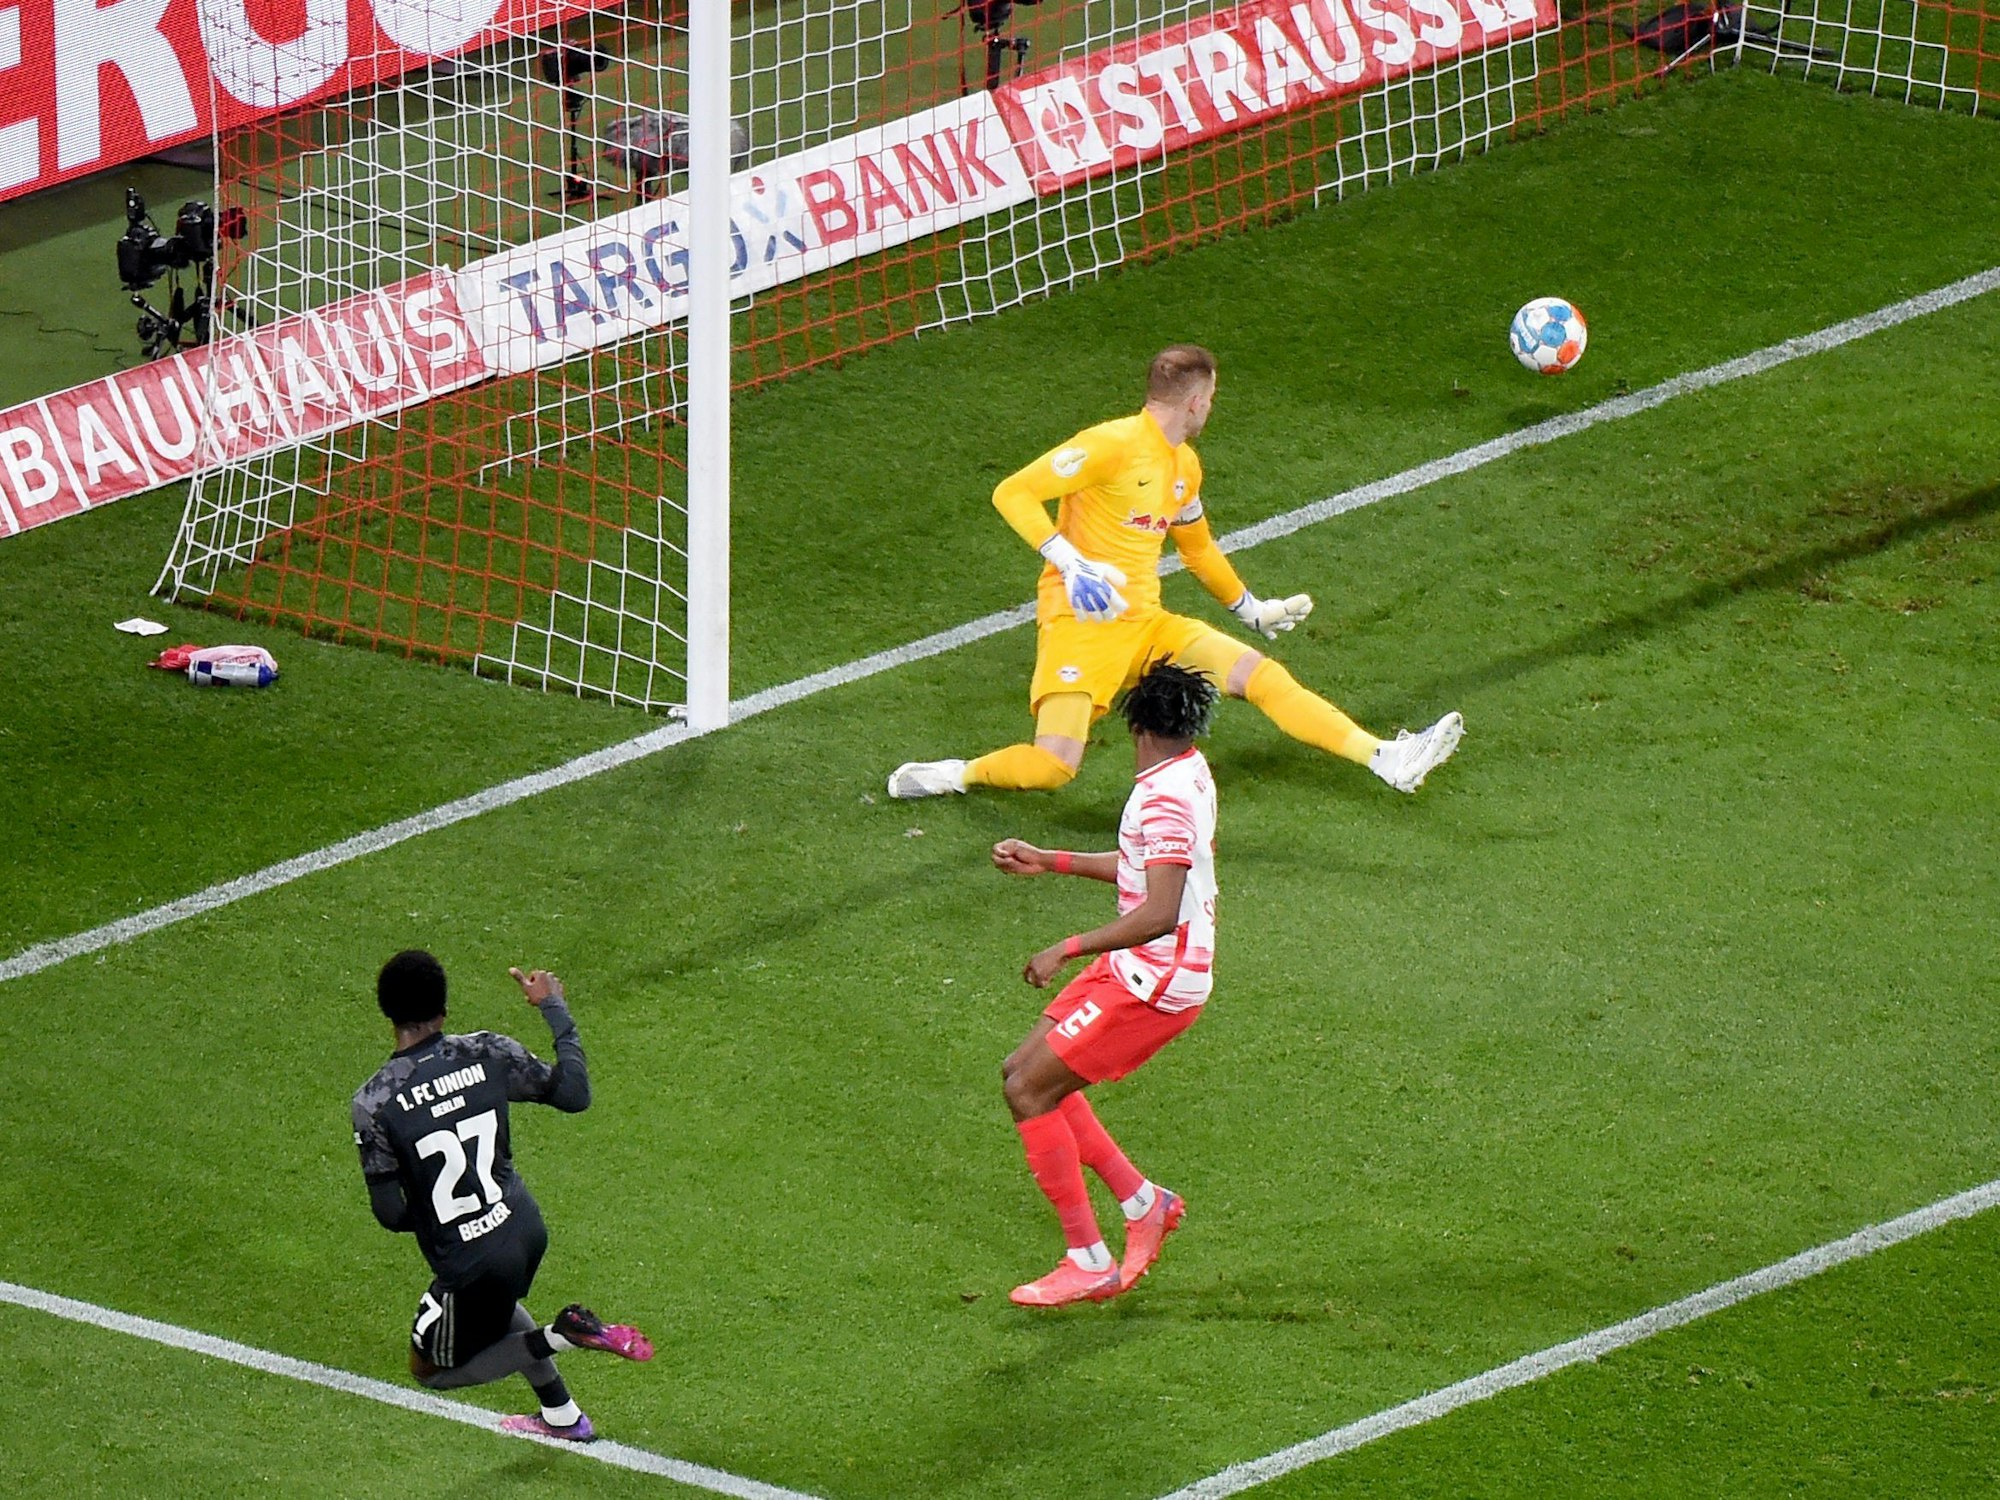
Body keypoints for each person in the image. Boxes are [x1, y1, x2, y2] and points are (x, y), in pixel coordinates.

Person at [889, 343, 1462, 800]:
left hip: (1147, 622)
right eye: (1211, 397)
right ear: (1193, 401)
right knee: (1052, 767)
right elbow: (1011, 492)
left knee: (1260, 677)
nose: (1212, 407)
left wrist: (1251, 608)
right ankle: (957, 775)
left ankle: (1383, 757)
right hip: (1081, 624)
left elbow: (1197, 548)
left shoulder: (1183, 466)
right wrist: (1069, 561)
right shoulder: (1109, 446)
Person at [990, 661, 1224, 1306]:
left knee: (1030, 1092)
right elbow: (1142, 866)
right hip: (1135, 967)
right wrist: (1051, 859)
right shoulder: (1186, 771)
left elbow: (1160, 910)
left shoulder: (1164, 797)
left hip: (1155, 984)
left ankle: (1088, 1260)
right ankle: (1145, 1203)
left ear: (1136, 724)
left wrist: (1066, 948)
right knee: (1023, 1072)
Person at [351, 951, 653, 1441]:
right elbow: (574, 1094)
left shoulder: (374, 1101)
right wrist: (553, 1006)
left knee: (431, 1371)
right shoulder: (487, 1052)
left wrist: (442, 1211)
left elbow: (390, 1212)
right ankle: (563, 1416)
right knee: (497, 1303)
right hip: (523, 1227)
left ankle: (564, 1334)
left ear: (386, 1012)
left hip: (471, 1259)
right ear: (444, 1008)